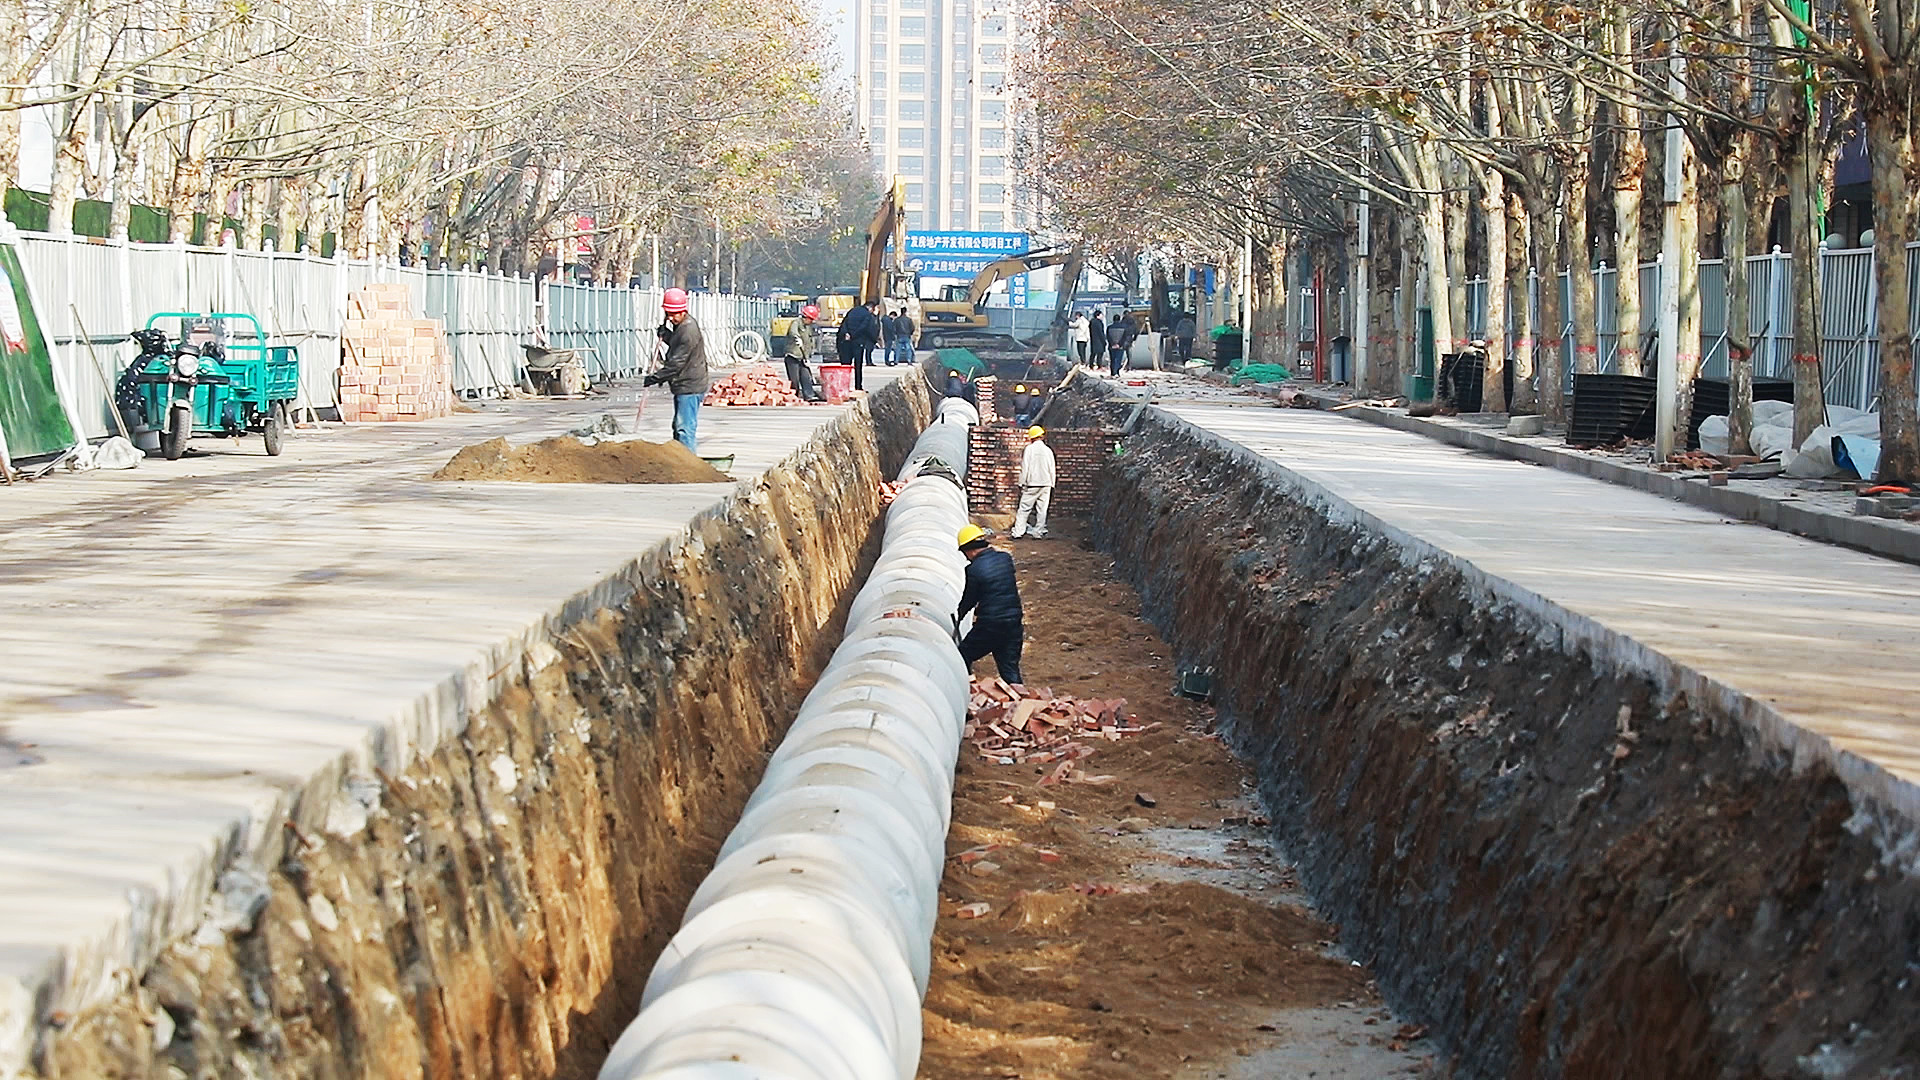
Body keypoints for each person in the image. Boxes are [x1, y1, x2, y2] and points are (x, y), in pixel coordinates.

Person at [956, 524, 1023, 685]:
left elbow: (970, 599)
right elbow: (999, 587)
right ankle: (1021, 704)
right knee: (1009, 669)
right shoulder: (1005, 558)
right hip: (1014, 623)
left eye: (965, 553)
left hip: (990, 625)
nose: (966, 557)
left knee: (963, 655)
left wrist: (960, 614)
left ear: (970, 550)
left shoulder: (974, 569)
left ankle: (968, 693)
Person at [647, 287, 711, 451]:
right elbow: (677, 345)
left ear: (683, 310)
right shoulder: (681, 326)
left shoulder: (688, 330)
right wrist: (667, 335)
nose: (671, 317)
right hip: (683, 383)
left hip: (690, 384)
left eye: (674, 314)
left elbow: (677, 363)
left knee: (684, 428)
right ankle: (680, 460)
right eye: (668, 313)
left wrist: (657, 377)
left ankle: (689, 464)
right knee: (678, 426)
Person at [1010, 426, 1055, 539]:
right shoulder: (1048, 450)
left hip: (1033, 483)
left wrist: (1022, 483)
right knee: (1042, 510)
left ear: (1032, 437)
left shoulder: (1029, 449)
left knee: (1024, 508)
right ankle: (1038, 532)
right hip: (1046, 483)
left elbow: (1025, 467)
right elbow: (1052, 468)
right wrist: (1052, 483)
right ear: (1042, 436)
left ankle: (1018, 532)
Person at [784, 303, 823, 402]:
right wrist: (797, 338)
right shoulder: (796, 323)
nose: (811, 321)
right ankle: (794, 397)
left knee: (806, 377)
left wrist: (807, 357)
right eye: (811, 319)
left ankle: (809, 395)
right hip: (793, 356)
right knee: (794, 380)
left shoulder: (807, 327)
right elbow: (793, 332)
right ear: (806, 317)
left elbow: (808, 341)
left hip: (803, 357)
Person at [1107, 310, 1135, 376]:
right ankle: (1116, 372)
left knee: (1112, 359)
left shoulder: (1109, 327)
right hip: (1120, 346)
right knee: (1118, 359)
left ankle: (1112, 372)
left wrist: (1112, 344)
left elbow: (1108, 337)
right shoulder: (1123, 327)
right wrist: (1119, 344)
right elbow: (1124, 337)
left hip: (1111, 346)